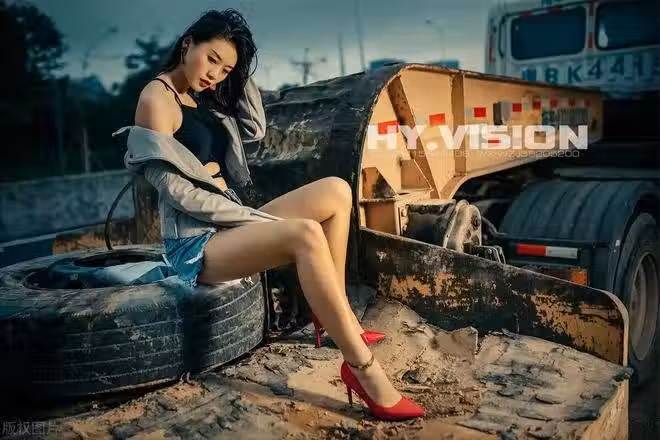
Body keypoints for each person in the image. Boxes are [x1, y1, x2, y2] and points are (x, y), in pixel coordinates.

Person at [121, 9, 424, 420]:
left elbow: (255, 128)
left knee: (336, 191)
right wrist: (254, 219)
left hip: (229, 220)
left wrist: (239, 70)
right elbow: (178, 193)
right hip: (196, 244)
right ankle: (362, 371)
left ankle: (336, 318)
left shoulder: (204, 94)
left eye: (226, 69)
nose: (215, 75)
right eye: (212, 59)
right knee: (304, 234)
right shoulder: (156, 101)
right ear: (187, 43)